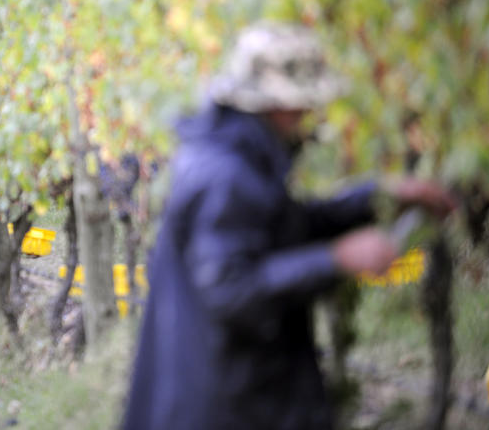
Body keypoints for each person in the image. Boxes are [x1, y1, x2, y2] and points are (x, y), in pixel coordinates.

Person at [122, 24, 456, 430]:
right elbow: (231, 289)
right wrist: (337, 259)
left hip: (222, 388)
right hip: (225, 403)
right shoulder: (226, 174)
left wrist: (378, 195)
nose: (308, 115)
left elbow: (283, 225)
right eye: (302, 103)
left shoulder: (234, 156)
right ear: (274, 103)